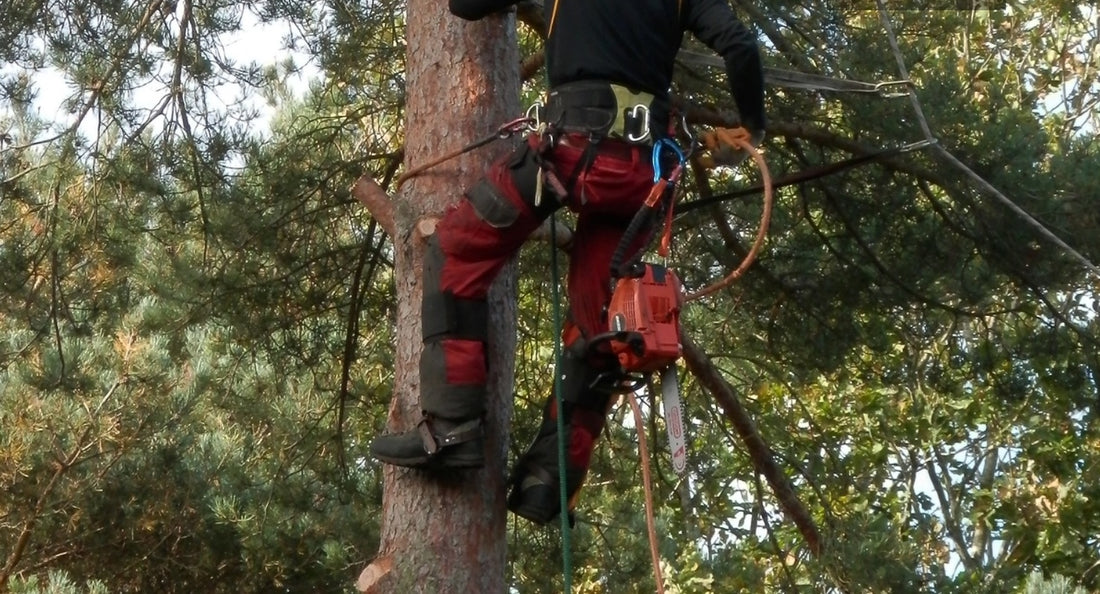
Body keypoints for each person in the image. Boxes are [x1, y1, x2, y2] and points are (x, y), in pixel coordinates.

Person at [370, 0, 766, 525]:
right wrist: (750, 129)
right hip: (643, 178)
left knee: (457, 252)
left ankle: (452, 431)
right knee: (596, 326)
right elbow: (739, 45)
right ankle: (548, 480)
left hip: (575, 151)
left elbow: (466, 8)